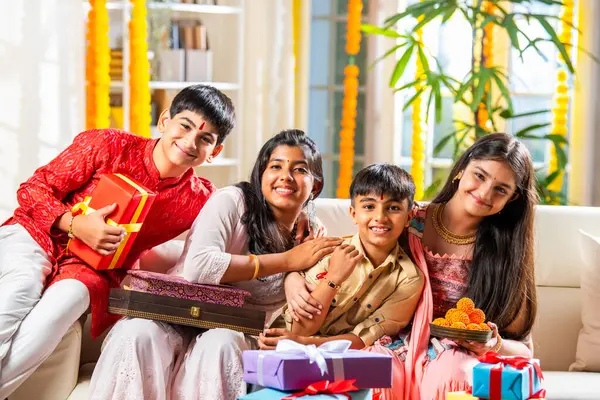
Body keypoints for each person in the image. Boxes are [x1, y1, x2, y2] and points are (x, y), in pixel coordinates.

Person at [0, 84, 236, 398]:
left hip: (91, 269)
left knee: (61, 308)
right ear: (165, 120)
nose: (190, 141)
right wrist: (75, 224)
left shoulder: (201, 199)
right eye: (185, 126)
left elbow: (239, 227)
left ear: (215, 151)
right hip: (36, 234)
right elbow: (32, 190)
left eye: (205, 138)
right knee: (20, 289)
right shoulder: (108, 144)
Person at [89, 129, 342, 400]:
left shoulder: (312, 233)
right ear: (260, 175)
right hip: (174, 315)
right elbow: (199, 267)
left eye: (299, 169)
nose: (285, 177)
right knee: (137, 334)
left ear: (315, 185)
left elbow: (310, 306)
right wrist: (287, 262)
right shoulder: (233, 201)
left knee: (221, 343)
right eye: (276, 166)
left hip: (235, 334)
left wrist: (294, 274)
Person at [288, 133, 539, 400]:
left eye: (501, 189)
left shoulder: (503, 255)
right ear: (462, 169)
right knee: (376, 370)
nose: (485, 192)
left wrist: (492, 344)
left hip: (454, 356)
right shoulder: (403, 218)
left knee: (453, 373)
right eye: (479, 175)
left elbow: (524, 348)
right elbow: (339, 249)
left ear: (511, 199)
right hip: (383, 340)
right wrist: (291, 278)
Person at [262, 163, 424, 352]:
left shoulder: (409, 279)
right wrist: (334, 278)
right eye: (369, 206)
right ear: (354, 214)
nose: (380, 217)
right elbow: (300, 328)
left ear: (409, 216)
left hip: (340, 356)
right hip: (280, 348)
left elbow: (362, 339)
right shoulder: (327, 252)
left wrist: (303, 344)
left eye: (393, 208)